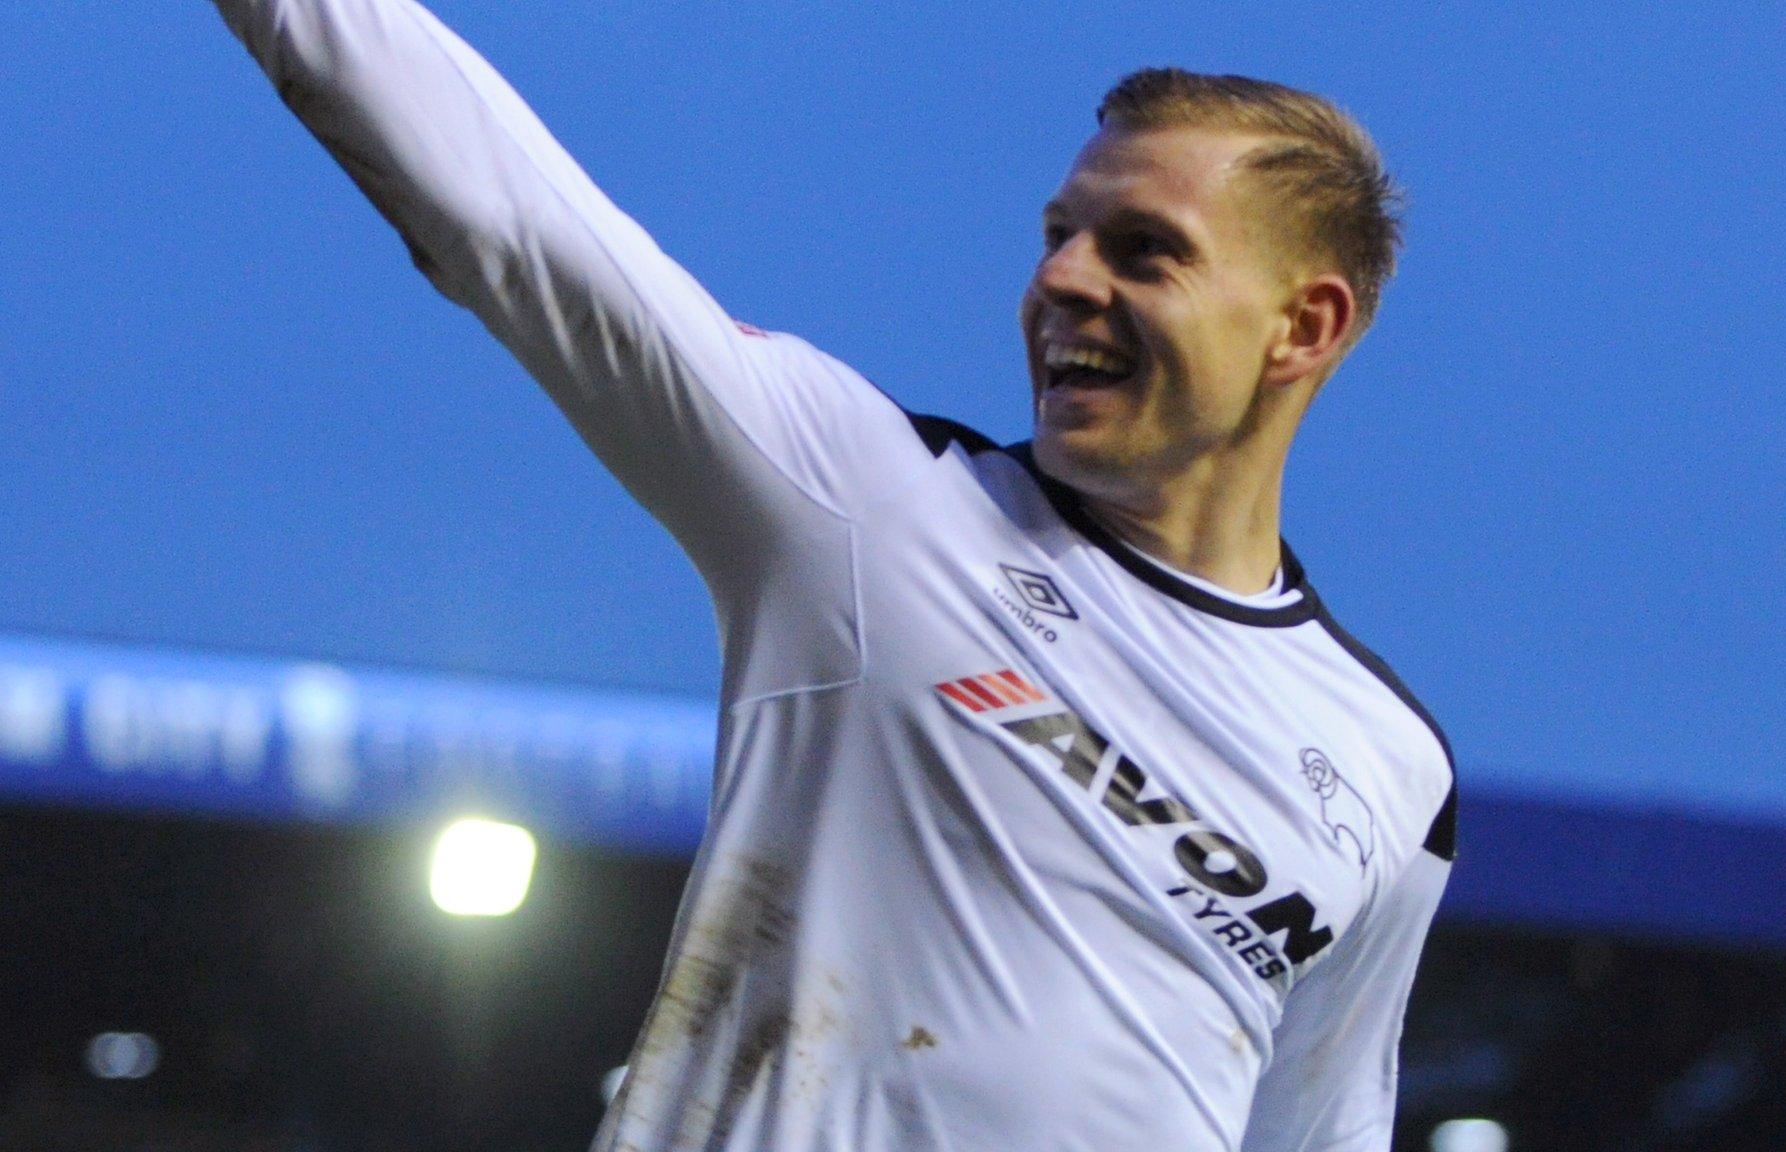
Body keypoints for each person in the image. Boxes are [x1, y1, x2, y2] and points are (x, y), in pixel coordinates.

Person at [212, 2, 1456, 1148]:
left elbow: (1309, 1132)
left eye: (1143, 251)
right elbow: (510, 219)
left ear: (1305, 326)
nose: (1063, 280)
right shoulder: (873, 503)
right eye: (1058, 235)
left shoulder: (1392, 778)